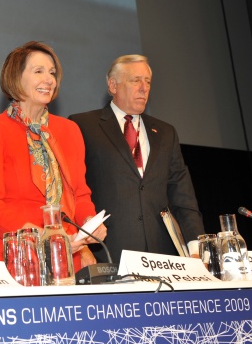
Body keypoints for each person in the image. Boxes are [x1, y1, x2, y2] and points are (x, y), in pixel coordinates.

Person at [0, 41, 106, 270]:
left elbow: (79, 194)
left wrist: (88, 223)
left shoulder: (69, 130)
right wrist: (40, 236)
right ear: (16, 77)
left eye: (52, 73)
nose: (49, 79)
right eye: (39, 71)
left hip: (67, 257)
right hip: (17, 257)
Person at [69, 54, 204, 262]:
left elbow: (182, 194)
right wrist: (82, 247)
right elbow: (71, 191)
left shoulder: (166, 133)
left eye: (148, 82)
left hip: (164, 256)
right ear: (113, 85)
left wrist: (195, 247)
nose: (144, 88)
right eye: (135, 81)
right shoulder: (83, 126)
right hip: (108, 253)